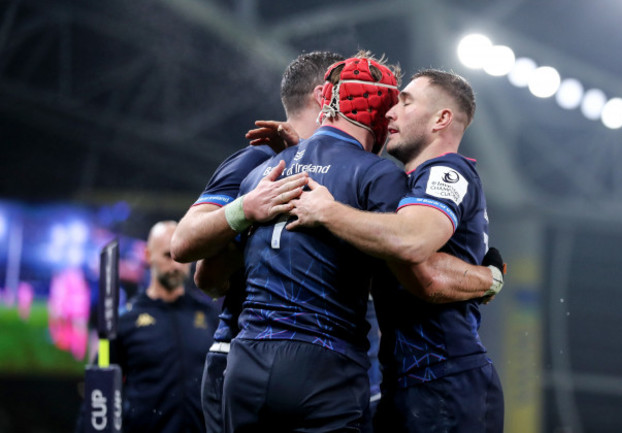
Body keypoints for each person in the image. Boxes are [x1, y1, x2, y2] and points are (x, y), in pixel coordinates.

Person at [288, 69, 504, 432]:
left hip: (444, 377)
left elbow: (411, 245)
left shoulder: (446, 171)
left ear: (442, 119)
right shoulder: (408, 186)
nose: (390, 111)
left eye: (405, 102)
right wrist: (304, 145)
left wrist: (327, 212)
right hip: (407, 378)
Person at [171, 50, 350, 433]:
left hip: (323, 361)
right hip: (244, 355)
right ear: (324, 96)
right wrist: (245, 211)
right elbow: (185, 245)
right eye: (348, 90)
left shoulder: (348, 165)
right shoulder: (260, 158)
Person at [93, 220, 219, 433]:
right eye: (168, 256)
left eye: (182, 256)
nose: (176, 265)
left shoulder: (210, 316)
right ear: (148, 256)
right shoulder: (126, 321)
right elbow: (98, 393)